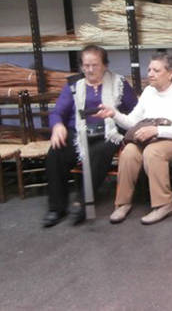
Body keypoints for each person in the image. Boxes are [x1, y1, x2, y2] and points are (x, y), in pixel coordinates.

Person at [95, 53, 172, 225]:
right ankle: (123, 203)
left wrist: (156, 131)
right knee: (130, 151)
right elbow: (132, 121)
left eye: (156, 70)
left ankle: (164, 205)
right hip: (156, 137)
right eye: (149, 69)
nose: (150, 74)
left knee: (153, 152)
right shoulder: (149, 92)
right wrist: (113, 114)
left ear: (170, 73)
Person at [41, 45, 138, 228]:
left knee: (99, 151)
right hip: (78, 131)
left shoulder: (119, 83)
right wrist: (58, 126)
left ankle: (82, 203)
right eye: (86, 65)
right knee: (55, 153)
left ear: (105, 65)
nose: (90, 70)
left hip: (109, 131)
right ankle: (56, 208)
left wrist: (122, 122)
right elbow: (57, 113)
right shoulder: (74, 85)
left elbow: (135, 111)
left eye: (94, 65)